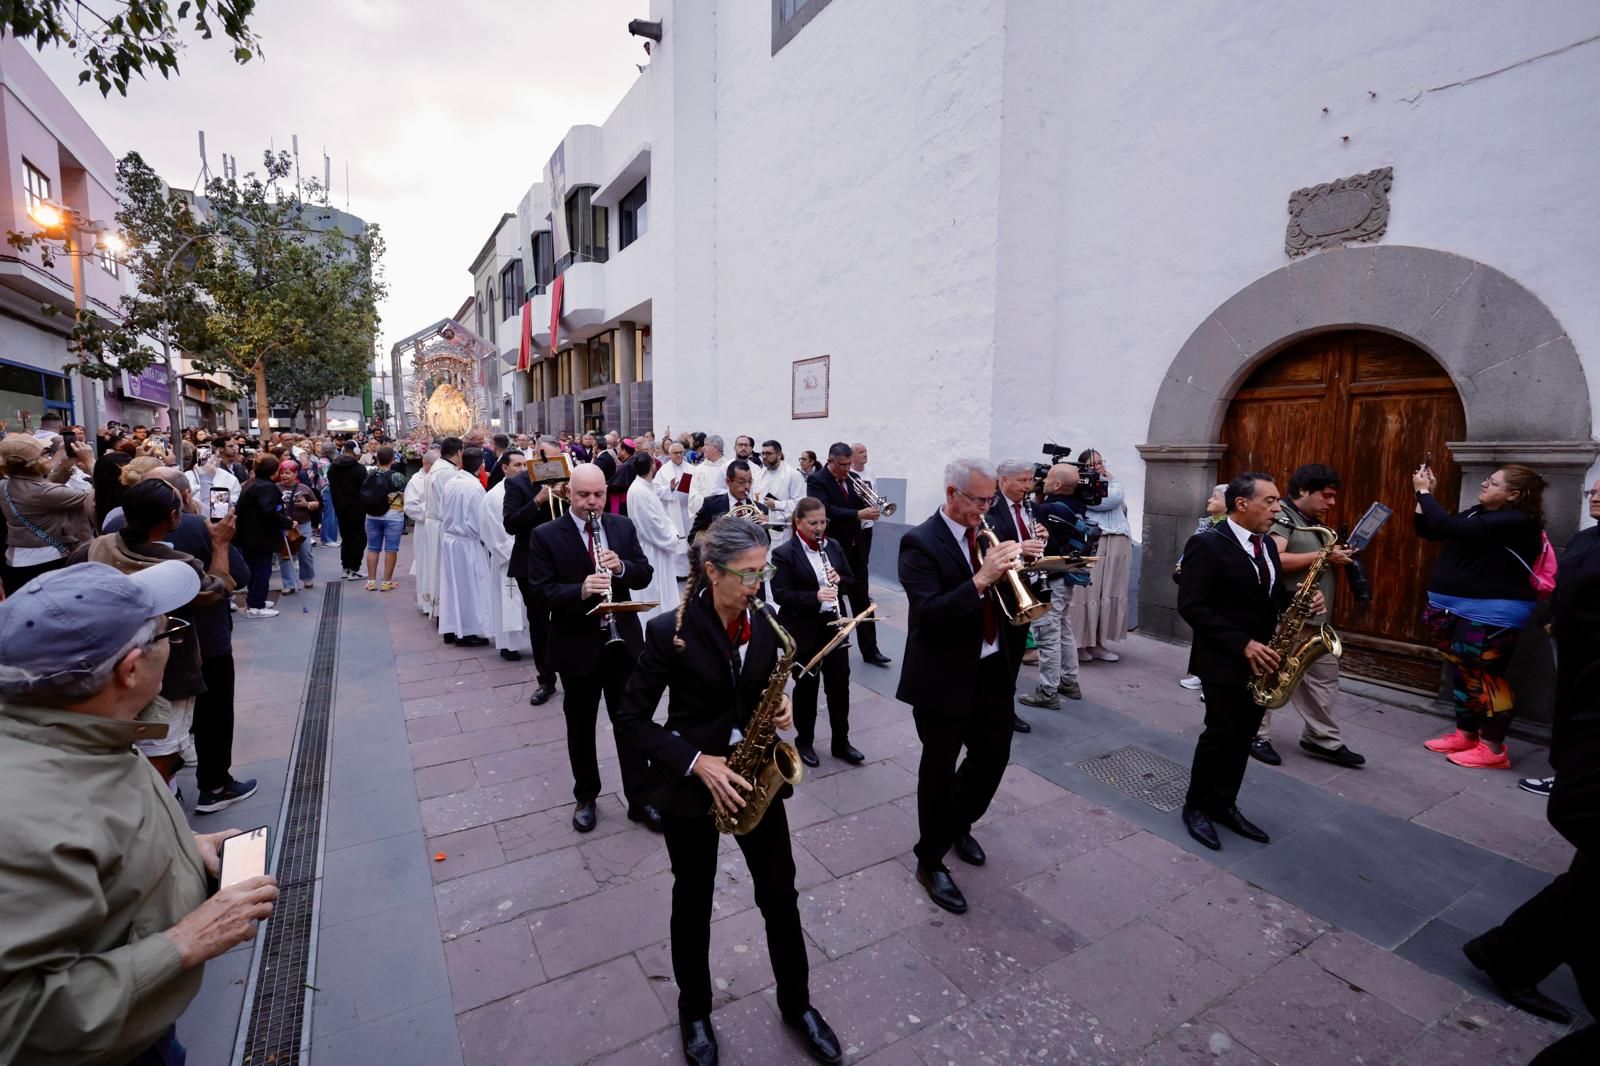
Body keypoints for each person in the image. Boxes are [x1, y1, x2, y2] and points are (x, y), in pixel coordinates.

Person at [0, 561, 279, 1066]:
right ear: (131, 669)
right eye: (167, 630)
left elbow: (103, 844)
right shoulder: (24, 814)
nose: (173, 640)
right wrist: (188, 942)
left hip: (141, 1028)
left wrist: (182, 850)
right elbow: (18, 1019)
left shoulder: (85, 726)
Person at [616, 516, 844, 1066]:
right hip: (695, 785)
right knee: (692, 901)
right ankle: (694, 1010)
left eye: (763, 571)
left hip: (756, 776)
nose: (758, 586)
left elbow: (763, 680)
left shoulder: (765, 622)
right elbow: (630, 720)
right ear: (712, 572)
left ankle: (798, 1004)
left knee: (780, 896)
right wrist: (696, 761)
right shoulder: (668, 629)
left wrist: (782, 702)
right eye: (747, 575)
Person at [1460, 475, 1598, 1062]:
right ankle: (1509, 954)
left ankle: (1510, 953)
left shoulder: (1584, 547)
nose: (1594, 493)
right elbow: (1446, 530)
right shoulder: (1591, 551)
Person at [899, 458, 1029, 914]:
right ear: (952, 494)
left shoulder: (986, 530)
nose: (985, 508)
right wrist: (981, 578)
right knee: (938, 768)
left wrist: (1022, 567)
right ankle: (929, 859)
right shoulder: (919, 542)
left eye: (990, 499)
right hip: (943, 675)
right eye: (978, 500)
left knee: (994, 755)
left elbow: (1007, 597)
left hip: (992, 666)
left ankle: (956, 821)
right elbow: (930, 613)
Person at [75, 476, 237, 791]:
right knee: (163, 749)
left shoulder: (94, 549)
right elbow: (218, 590)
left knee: (126, 740)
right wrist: (220, 545)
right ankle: (161, 806)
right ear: (173, 517)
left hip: (107, 663)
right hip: (169, 667)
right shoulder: (178, 566)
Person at [1178, 473, 1311, 852]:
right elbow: (1191, 606)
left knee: (1243, 736)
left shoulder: (1267, 545)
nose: (1277, 508)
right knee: (1220, 733)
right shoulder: (1206, 544)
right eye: (1269, 501)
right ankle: (1196, 807)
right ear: (1242, 504)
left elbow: (1267, 594)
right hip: (1223, 658)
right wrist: (1243, 644)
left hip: (1264, 658)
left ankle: (1224, 804)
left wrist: (1296, 602)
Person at [529, 463, 660, 833]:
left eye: (598, 495)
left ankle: (641, 799)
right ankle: (586, 796)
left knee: (631, 724)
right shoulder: (546, 534)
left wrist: (621, 568)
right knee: (581, 726)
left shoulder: (622, 526)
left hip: (623, 646)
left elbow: (644, 571)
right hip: (577, 646)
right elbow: (540, 593)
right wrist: (581, 590)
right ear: (569, 493)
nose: (592, 502)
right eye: (584, 495)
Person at [139, 467, 257, 814]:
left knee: (154, 710)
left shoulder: (112, 530)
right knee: (214, 712)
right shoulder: (195, 527)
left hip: (147, 641)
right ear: (182, 500)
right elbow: (237, 577)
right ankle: (215, 784)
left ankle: (166, 785)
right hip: (203, 634)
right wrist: (220, 542)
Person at [1415, 462, 1545, 769]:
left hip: (1491, 615)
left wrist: (1424, 493)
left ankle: (1493, 748)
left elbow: (1454, 528)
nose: (1485, 484)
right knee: (1464, 674)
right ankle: (1467, 734)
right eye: (1487, 479)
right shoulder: (1476, 514)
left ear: (1514, 495)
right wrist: (1423, 496)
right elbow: (1431, 529)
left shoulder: (1517, 521)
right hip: (1453, 610)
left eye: (1493, 482)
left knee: (1488, 678)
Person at [1250, 464, 1365, 769]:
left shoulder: (1313, 523)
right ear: (1303, 490)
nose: (1332, 503)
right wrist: (1324, 555)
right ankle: (1256, 734)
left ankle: (1321, 738)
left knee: (1324, 681)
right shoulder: (1286, 518)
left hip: (1315, 621)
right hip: (1286, 616)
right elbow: (1273, 559)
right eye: (1326, 496)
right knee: (1268, 676)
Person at [773, 497, 864, 768]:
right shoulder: (784, 553)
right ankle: (805, 741)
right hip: (803, 630)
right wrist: (814, 596)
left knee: (839, 686)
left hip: (834, 626)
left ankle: (841, 742)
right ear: (798, 522)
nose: (819, 528)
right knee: (807, 688)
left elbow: (850, 580)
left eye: (823, 521)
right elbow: (781, 595)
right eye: (813, 523)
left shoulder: (833, 546)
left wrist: (840, 579)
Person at [807, 442, 891, 667]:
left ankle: (870, 649)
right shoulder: (817, 480)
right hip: (833, 549)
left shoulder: (853, 477)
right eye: (842, 465)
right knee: (836, 600)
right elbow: (825, 510)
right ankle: (838, 644)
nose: (846, 469)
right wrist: (858, 513)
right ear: (830, 460)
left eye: (848, 464)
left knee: (862, 599)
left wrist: (873, 508)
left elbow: (861, 501)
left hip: (856, 548)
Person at [987, 459, 1050, 732]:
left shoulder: (1032, 508)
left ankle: (1005, 709)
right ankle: (993, 708)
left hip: (1028, 586)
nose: (1029, 486)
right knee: (998, 656)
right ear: (1004, 481)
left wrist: (1045, 539)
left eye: (1030, 480)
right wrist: (1020, 547)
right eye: (1022, 481)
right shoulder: (989, 506)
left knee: (1013, 654)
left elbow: (1042, 547)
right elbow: (987, 542)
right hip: (1001, 590)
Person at [1020, 463, 1087, 710]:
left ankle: (1048, 691)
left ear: (1057, 485)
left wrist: (1033, 492)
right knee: (1062, 627)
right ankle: (1069, 681)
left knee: (1047, 634)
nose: (1042, 480)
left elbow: (1031, 517)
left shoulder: (1048, 509)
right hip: (1066, 576)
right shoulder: (1077, 506)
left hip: (1051, 580)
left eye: (1047, 478)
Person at [503, 437, 565, 705]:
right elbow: (511, 524)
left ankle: (574, 672)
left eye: (557, 461)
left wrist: (571, 496)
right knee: (540, 624)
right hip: (530, 563)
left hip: (564, 560)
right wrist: (538, 501)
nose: (553, 466)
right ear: (537, 457)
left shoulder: (568, 480)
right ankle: (546, 680)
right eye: (548, 461)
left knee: (568, 617)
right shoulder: (517, 483)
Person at [1, 435, 94, 594]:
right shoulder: (44, 493)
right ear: (36, 462)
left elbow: (41, 487)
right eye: (45, 454)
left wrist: (65, 467)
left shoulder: (4, 485)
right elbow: (97, 496)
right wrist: (90, 462)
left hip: (16, 560)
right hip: (50, 561)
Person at [1071, 449, 1131, 663]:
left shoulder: (1113, 483)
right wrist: (1105, 483)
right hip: (1094, 539)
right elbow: (1105, 501)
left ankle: (1098, 643)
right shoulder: (1079, 486)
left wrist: (1107, 482)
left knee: (1109, 590)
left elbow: (1115, 497)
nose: (1098, 466)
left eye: (1100, 462)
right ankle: (1079, 644)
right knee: (1087, 593)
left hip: (1118, 539)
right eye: (1092, 464)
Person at [436, 446, 493, 647]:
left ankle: (451, 627)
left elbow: (442, 510)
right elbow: (481, 521)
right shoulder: (474, 488)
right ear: (481, 467)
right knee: (470, 588)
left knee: (452, 587)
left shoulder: (452, 481)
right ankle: (468, 631)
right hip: (467, 542)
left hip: (451, 539)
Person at [481, 450, 532, 661]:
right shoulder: (493, 496)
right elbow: (492, 530)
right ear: (504, 468)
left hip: (528, 555)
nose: (522, 470)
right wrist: (514, 551)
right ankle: (508, 645)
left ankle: (532, 641)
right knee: (508, 601)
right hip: (507, 558)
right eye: (517, 465)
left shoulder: (528, 489)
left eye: (524, 465)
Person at [1178, 484, 1229, 691]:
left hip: (1216, 586)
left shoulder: (1228, 528)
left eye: (1215, 497)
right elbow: (1192, 547)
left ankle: (1214, 681)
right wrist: (1182, 563)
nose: (1209, 500)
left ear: (1228, 505)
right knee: (1202, 632)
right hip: (1199, 583)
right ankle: (1201, 674)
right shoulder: (1206, 523)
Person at [233, 454, 294, 618]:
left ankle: (254, 600)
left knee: (255, 570)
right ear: (274, 471)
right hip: (259, 536)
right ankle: (256, 606)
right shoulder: (266, 487)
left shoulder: (251, 483)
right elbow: (268, 511)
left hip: (248, 535)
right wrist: (287, 523)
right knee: (261, 571)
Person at [625, 451, 682, 623]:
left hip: (658, 547)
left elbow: (657, 497)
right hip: (651, 550)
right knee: (653, 592)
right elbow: (651, 525)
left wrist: (670, 489)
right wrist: (672, 536)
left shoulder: (645, 486)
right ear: (653, 466)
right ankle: (652, 629)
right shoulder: (638, 491)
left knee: (663, 591)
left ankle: (664, 624)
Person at [422, 437, 464, 616]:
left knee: (438, 568)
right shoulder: (447, 472)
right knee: (444, 570)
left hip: (434, 524)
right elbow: (452, 502)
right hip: (442, 524)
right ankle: (445, 613)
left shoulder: (438, 467)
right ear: (459, 452)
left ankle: (440, 610)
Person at [361, 446, 408, 593]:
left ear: (378, 458)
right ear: (392, 460)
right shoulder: (397, 476)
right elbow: (405, 495)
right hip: (393, 516)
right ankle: (387, 582)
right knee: (391, 549)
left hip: (372, 515)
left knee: (373, 548)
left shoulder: (369, 473)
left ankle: (371, 581)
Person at [689, 458, 768, 540]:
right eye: (741, 482)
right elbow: (692, 537)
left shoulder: (760, 509)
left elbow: (767, 542)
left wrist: (763, 527)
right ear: (728, 481)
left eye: (749, 481)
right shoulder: (711, 505)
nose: (747, 487)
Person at [275, 459, 318, 595]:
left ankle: (307, 577)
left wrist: (306, 504)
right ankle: (288, 583)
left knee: (305, 552)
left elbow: (316, 503)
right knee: (285, 555)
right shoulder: (275, 488)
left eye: (288, 473)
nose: (284, 476)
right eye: (282, 473)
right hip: (284, 526)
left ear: (295, 474)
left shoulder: (304, 488)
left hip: (302, 525)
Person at [753, 439, 807, 546]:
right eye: (762, 453)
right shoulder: (759, 474)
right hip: (761, 530)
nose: (764, 457)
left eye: (768, 453)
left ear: (779, 454)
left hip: (783, 530)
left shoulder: (793, 475)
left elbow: (801, 504)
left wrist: (777, 504)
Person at [327, 441, 368, 580]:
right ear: (356, 451)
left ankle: (345, 567)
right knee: (359, 538)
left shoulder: (332, 467)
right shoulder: (359, 469)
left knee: (346, 537)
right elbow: (364, 489)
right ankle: (354, 569)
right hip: (356, 508)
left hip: (339, 508)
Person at [405, 448, 439, 613]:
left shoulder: (440, 477)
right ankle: (426, 603)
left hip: (439, 528)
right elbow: (410, 508)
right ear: (425, 464)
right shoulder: (415, 481)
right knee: (425, 563)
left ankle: (439, 603)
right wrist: (431, 509)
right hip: (424, 528)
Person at [654, 440, 694, 577]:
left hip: (687, 509)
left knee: (688, 539)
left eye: (681, 452)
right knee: (676, 540)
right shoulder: (663, 471)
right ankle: (676, 573)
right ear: (669, 454)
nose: (678, 455)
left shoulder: (691, 469)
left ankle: (689, 571)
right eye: (675, 453)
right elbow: (656, 490)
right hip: (672, 511)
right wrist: (670, 488)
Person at [687, 434, 728, 521]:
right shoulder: (698, 470)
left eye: (706, 445)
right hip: (704, 518)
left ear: (716, 448)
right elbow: (693, 495)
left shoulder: (728, 467)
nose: (703, 448)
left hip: (725, 518)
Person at [315, 442, 340, 547]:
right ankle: (328, 539)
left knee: (331, 514)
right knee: (329, 514)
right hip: (327, 490)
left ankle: (329, 538)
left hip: (327, 489)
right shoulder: (326, 463)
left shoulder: (324, 461)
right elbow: (327, 478)